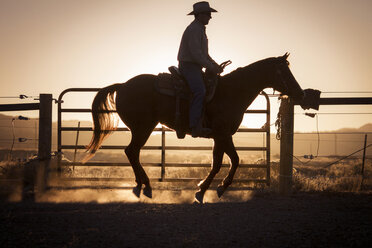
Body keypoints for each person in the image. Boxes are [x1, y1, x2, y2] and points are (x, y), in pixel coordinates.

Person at [177, 1, 221, 138]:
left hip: (194, 66)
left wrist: (214, 64)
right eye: (208, 14)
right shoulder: (194, 29)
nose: (210, 17)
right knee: (200, 91)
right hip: (189, 66)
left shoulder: (199, 29)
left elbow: (204, 54)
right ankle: (194, 126)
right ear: (200, 15)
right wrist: (211, 66)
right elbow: (196, 54)